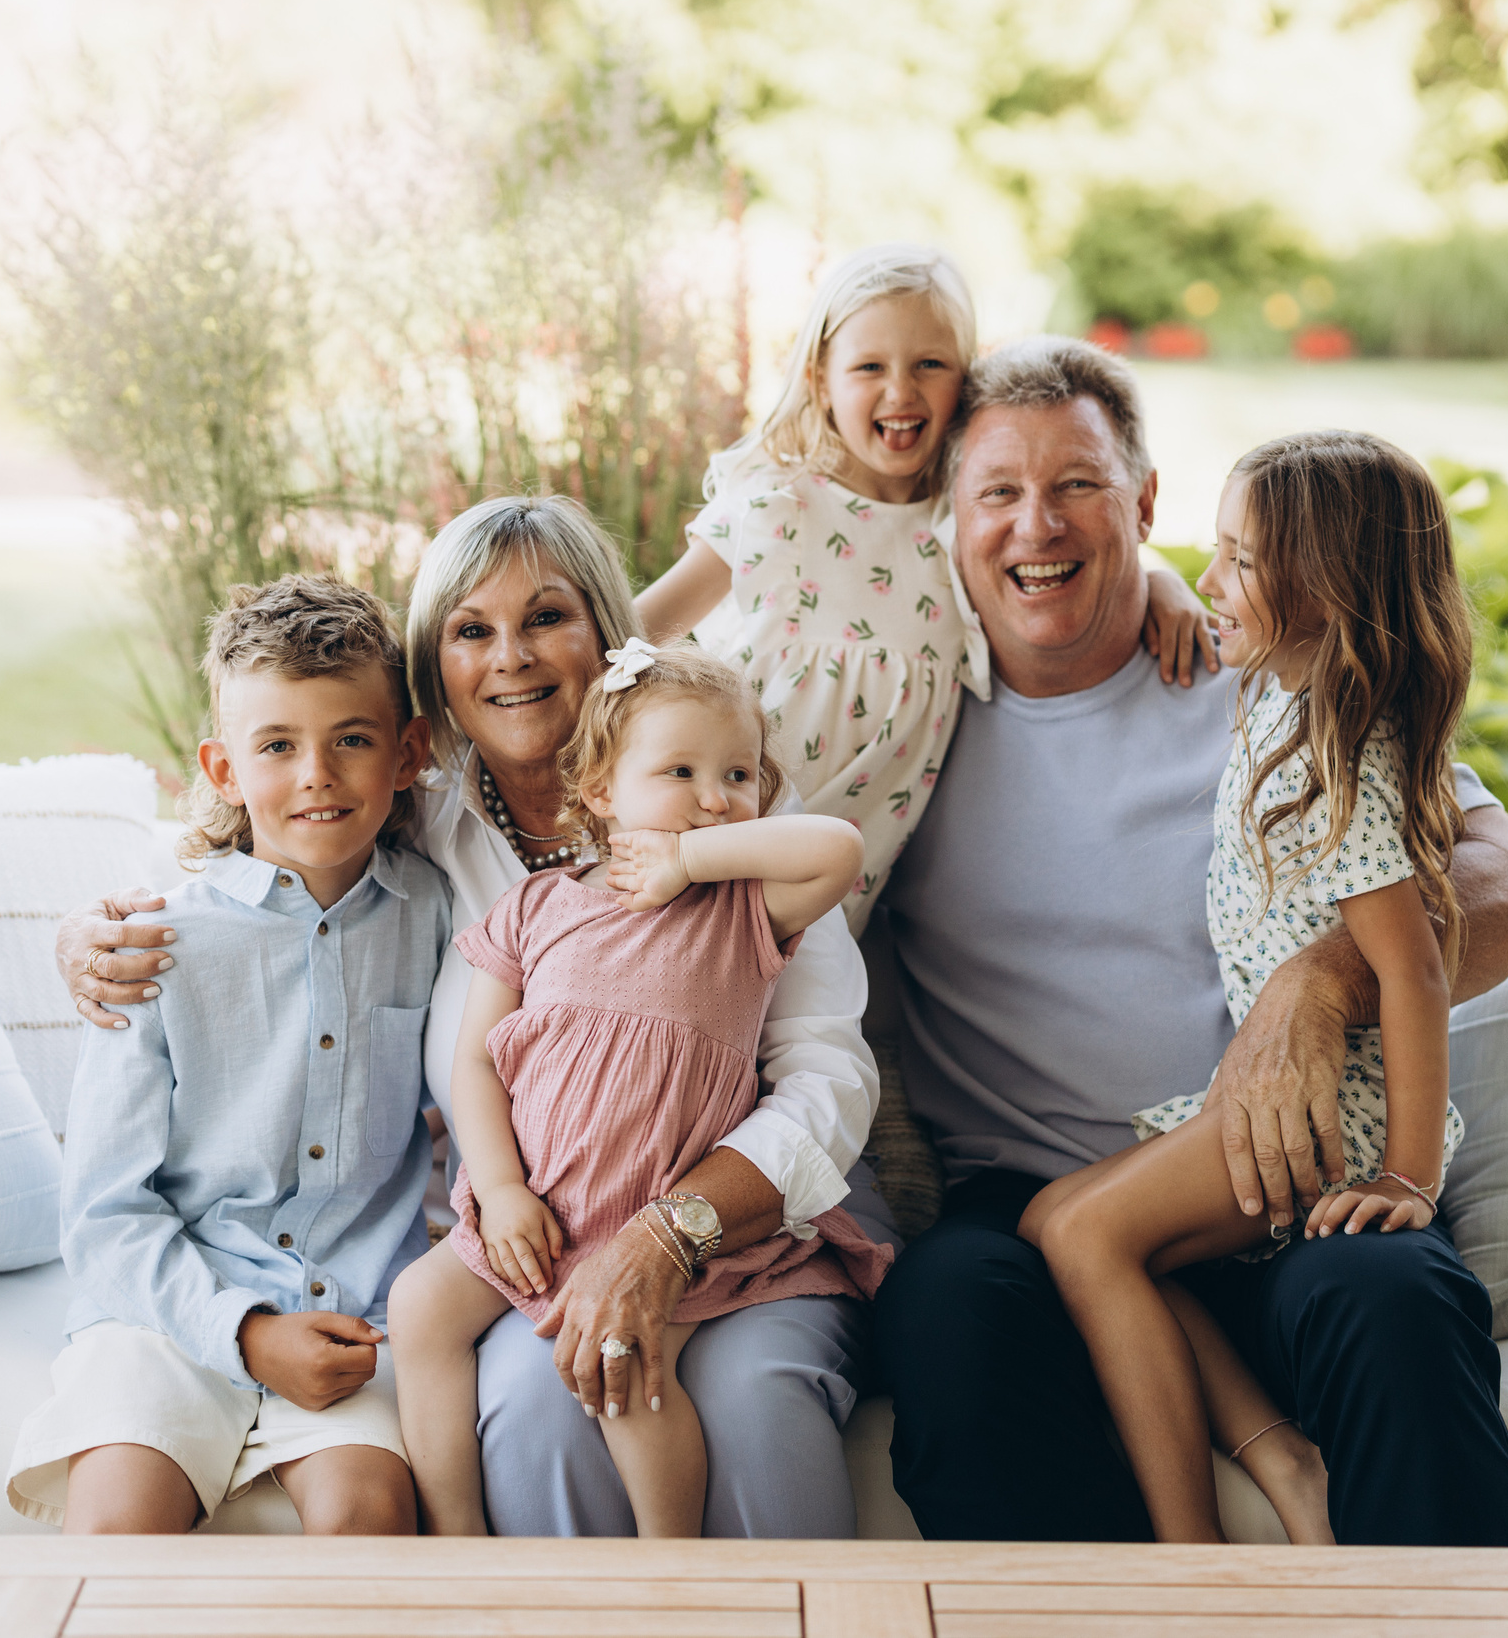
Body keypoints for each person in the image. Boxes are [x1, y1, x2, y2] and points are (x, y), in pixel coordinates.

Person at [57, 495, 892, 1538]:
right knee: (537, 1412)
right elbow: (257, 847)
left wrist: (671, 1233)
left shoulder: (723, 807)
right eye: (470, 630)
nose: (511, 657)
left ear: (608, 631)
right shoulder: (414, 814)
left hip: (742, 1210)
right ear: (435, 674)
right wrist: (88, 934)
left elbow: (827, 1074)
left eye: (546, 617)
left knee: (753, 1404)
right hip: (539, 1223)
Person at [871, 337, 1508, 1546]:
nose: (1037, 526)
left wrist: (1320, 983)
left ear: (1144, 503)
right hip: (1032, 1201)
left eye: (1078, 484)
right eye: (997, 492)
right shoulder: (896, 732)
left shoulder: (1266, 677)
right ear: (949, 520)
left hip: (1292, 1173)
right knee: (946, 1316)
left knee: (1395, 1298)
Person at [1019, 430, 1477, 1547]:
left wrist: (1409, 1175)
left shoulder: (1336, 756)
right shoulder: (1278, 691)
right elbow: (1202, 598)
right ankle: (1286, 1463)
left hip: (1324, 1122)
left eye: (1240, 562)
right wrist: (1180, 589)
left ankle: (1195, 1550)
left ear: (1324, 589)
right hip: (1268, 1103)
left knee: (1087, 1240)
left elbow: (1413, 969)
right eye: (1213, 552)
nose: (1209, 575)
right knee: (1055, 1223)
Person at [392, 641, 888, 1537]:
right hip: (539, 1215)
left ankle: (672, 1565)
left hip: (657, 1217)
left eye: (738, 774)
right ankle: (458, 1542)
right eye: (680, 772)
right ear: (600, 790)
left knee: (624, 1376)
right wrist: (499, 1189)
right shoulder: (535, 907)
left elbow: (838, 848)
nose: (715, 796)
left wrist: (690, 858)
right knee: (417, 1306)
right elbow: (478, 1064)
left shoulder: (743, 909)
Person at [7, 575, 446, 1537]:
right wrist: (243, 1333)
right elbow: (106, 1213)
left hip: (356, 1310)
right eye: (277, 745)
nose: (317, 774)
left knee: (367, 1518)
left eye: (352, 739)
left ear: (409, 751)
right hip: (172, 1311)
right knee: (119, 1526)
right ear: (223, 767)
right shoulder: (153, 948)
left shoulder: (437, 915)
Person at [638, 242, 1218, 931]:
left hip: (829, 907)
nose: (900, 392)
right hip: (706, 850)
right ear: (821, 381)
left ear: (964, 382)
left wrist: (1158, 581)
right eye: (869, 367)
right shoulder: (774, 509)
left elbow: (1061, 557)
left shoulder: (958, 520)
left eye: (930, 365)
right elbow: (634, 630)